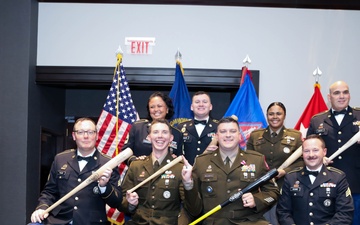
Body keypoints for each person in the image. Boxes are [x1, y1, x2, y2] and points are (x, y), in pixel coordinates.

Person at [184, 117, 280, 225]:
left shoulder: (256, 160)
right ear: (216, 136)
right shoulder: (202, 162)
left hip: (247, 221)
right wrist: (188, 185)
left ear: (239, 136)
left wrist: (257, 200)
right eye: (223, 131)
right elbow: (194, 209)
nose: (228, 135)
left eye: (233, 131)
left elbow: (273, 192)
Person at [30, 117, 123, 225]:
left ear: (96, 135)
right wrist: (42, 208)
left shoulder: (108, 163)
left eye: (90, 132)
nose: (86, 136)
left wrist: (104, 187)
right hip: (59, 221)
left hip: (91, 222)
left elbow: (117, 202)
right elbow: (49, 192)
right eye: (81, 132)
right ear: (74, 136)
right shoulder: (61, 159)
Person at [118, 119, 199, 225]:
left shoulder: (180, 169)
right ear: (149, 137)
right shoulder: (136, 166)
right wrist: (130, 204)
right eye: (155, 132)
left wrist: (188, 184)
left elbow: (194, 210)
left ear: (171, 138)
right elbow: (122, 203)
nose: (160, 136)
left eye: (164, 132)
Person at [307, 80, 360, 225]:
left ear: (349, 95)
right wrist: (318, 158)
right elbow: (308, 149)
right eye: (337, 93)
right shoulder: (317, 120)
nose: (341, 96)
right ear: (329, 97)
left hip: (355, 184)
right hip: (326, 184)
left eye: (345, 92)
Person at [277, 134, 354, 225]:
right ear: (302, 154)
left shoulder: (338, 177)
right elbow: (283, 212)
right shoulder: (291, 178)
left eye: (315, 150)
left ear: (324, 152)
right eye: (306, 151)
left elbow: (345, 213)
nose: (311, 155)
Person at [247, 102, 303, 224]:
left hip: (286, 186)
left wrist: (284, 172)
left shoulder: (295, 136)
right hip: (262, 188)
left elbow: (302, 162)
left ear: (284, 115)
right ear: (267, 116)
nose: (275, 117)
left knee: (284, 219)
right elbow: (248, 161)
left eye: (279, 113)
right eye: (271, 114)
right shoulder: (255, 136)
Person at [122, 91, 183, 163]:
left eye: (159, 106)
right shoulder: (138, 128)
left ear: (167, 109)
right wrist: (136, 161)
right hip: (139, 171)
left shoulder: (177, 134)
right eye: (152, 107)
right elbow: (124, 153)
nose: (156, 110)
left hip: (166, 173)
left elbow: (180, 159)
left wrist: (174, 160)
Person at [178, 91, 218, 165]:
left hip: (211, 172)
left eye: (205, 102)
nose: (201, 104)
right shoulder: (181, 128)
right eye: (197, 102)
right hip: (186, 171)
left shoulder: (219, 128)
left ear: (211, 106)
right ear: (191, 107)